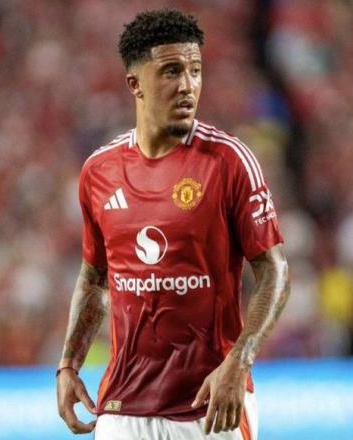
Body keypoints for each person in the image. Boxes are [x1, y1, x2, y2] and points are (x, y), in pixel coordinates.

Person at [56, 9, 290, 440]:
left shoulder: (230, 162)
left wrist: (240, 361)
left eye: (195, 70)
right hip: (122, 409)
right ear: (135, 84)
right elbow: (94, 278)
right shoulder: (99, 172)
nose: (188, 85)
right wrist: (69, 364)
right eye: (171, 71)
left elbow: (274, 269)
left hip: (209, 406)